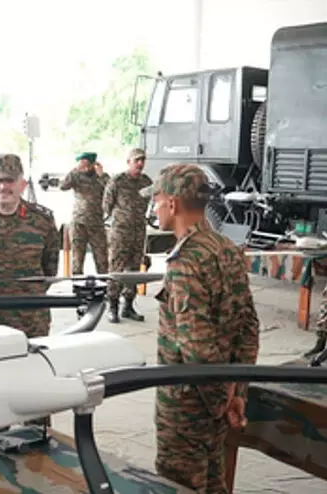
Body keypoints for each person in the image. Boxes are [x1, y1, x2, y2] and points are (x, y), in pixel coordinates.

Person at [143, 163, 260, 493]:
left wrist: (218, 400)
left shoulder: (185, 261)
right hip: (220, 396)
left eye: (156, 199)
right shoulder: (227, 249)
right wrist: (236, 392)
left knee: (179, 483)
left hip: (187, 404)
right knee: (213, 481)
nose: (154, 207)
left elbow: (195, 347)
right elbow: (249, 328)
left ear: (173, 203)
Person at [0, 154, 60, 338]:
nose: (3, 187)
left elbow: (50, 267)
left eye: (10, 181)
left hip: (31, 316)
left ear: (22, 184)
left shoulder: (42, 220)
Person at [103, 148, 153, 323]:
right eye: (136, 160)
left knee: (134, 270)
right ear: (128, 162)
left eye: (142, 160)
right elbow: (106, 206)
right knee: (116, 269)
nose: (140, 163)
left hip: (138, 232)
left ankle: (128, 306)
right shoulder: (117, 181)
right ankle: (113, 306)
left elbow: (149, 203)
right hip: (120, 232)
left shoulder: (146, 182)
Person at [60, 152, 110, 275]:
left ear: (94, 164)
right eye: (83, 164)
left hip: (96, 223)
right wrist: (74, 170)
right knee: (77, 260)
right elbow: (63, 186)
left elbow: (111, 190)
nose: (86, 168)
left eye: (88, 165)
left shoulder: (101, 177)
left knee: (102, 260)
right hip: (79, 222)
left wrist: (102, 175)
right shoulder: (76, 175)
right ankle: (77, 284)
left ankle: (104, 283)